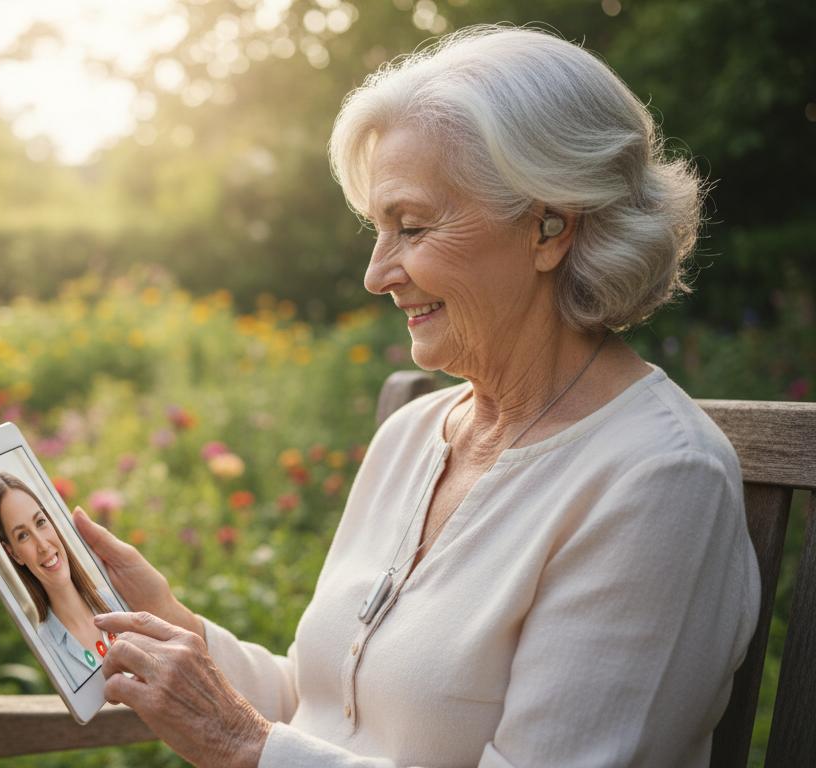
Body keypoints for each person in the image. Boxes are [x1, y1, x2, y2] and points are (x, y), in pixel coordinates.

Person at [72, 25, 761, 768]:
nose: (376, 273)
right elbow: (320, 706)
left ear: (550, 228)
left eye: (412, 227)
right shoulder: (415, 434)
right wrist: (172, 625)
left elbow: (270, 743)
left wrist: (241, 745)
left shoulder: (660, 480)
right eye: (379, 230)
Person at [0, 471, 122, 689]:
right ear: (13, 553)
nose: (42, 545)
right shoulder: (45, 646)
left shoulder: (115, 601)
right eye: (23, 535)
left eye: (40, 522)